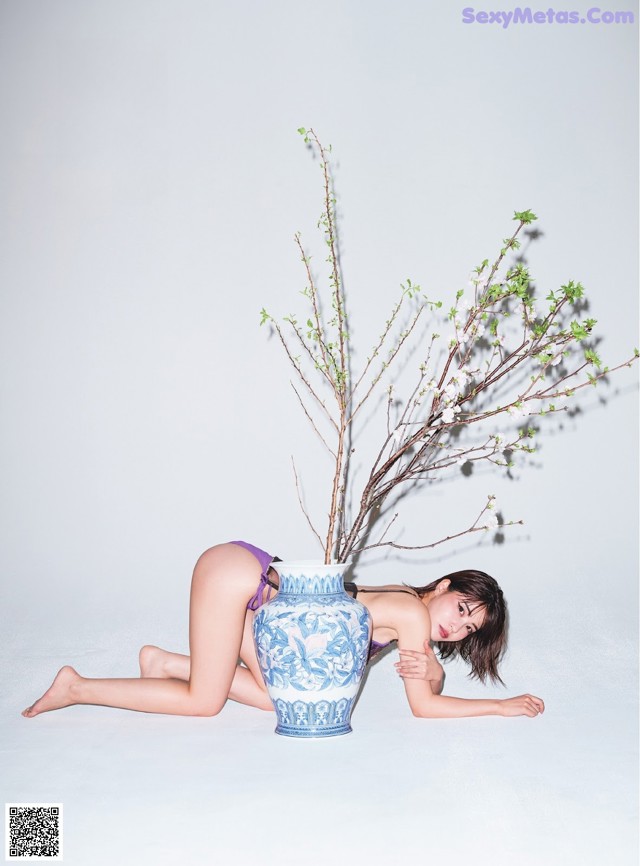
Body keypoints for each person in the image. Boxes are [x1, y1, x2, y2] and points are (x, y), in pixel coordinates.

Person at [22, 540, 545, 720]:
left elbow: (421, 684)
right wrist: (500, 706)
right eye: (462, 608)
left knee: (283, 699)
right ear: (445, 585)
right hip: (245, 582)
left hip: (247, 575)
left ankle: (165, 664)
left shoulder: (407, 604)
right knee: (205, 705)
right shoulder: (410, 614)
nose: (456, 627)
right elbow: (424, 707)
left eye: (467, 628)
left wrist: (432, 669)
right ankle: (78, 687)